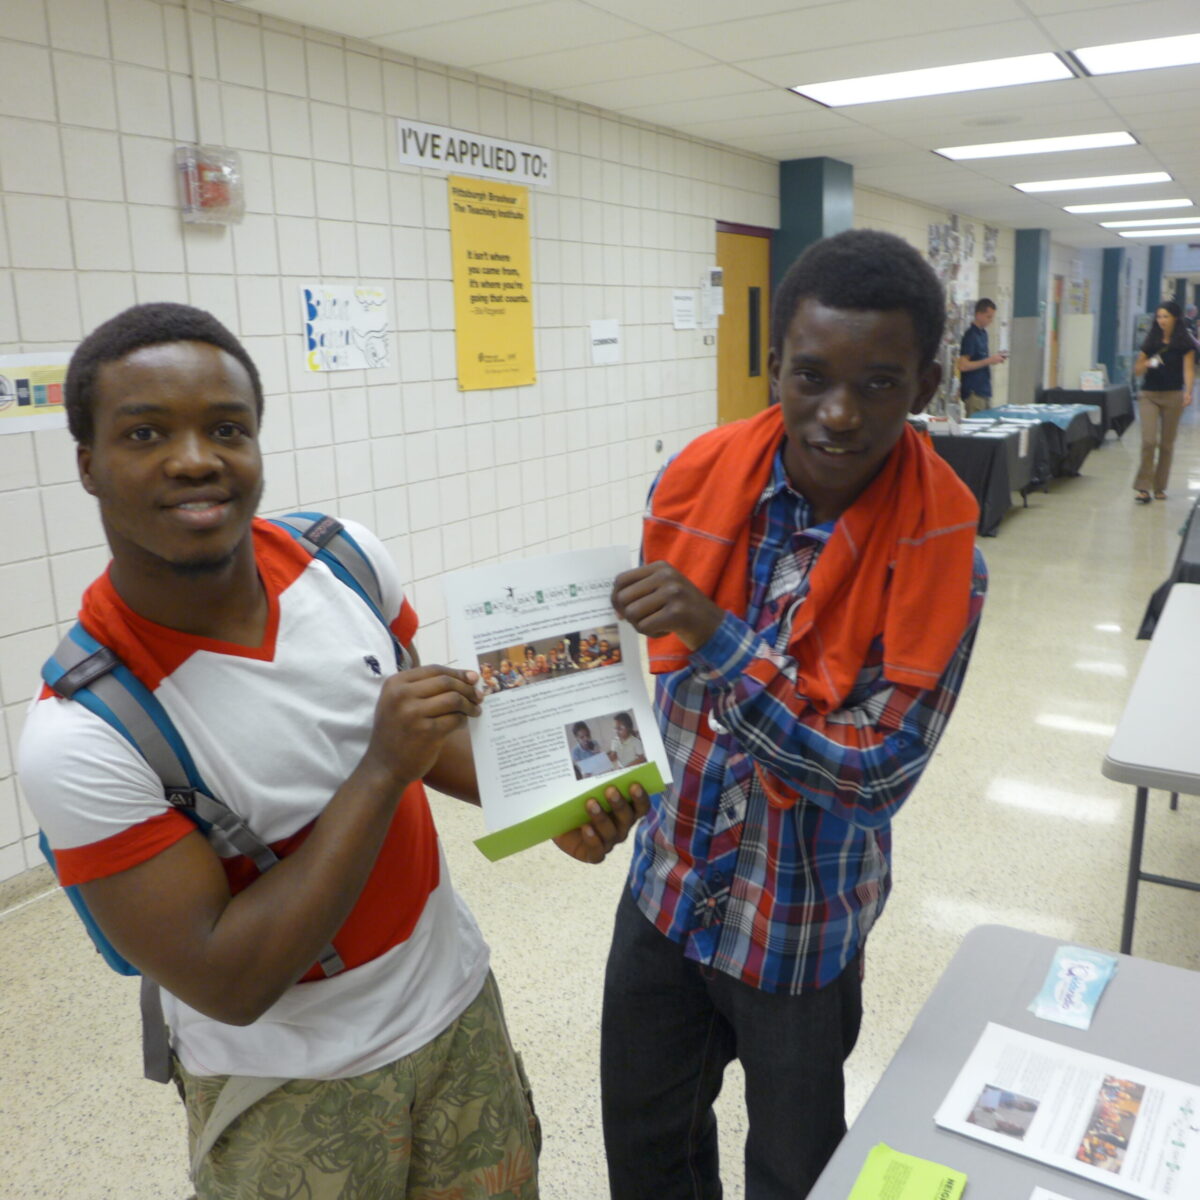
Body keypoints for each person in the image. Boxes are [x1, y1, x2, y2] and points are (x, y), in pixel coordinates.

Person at [18, 303, 646, 1198]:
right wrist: (381, 768)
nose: (195, 456)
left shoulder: (342, 561)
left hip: (456, 1006)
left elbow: (435, 742)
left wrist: (551, 804)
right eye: (146, 432)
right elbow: (230, 978)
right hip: (289, 1087)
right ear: (89, 464)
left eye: (226, 428)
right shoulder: (83, 731)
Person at [603, 229, 987, 1200]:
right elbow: (645, 685)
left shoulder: (944, 559)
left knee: (795, 1173)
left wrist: (720, 637)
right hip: (666, 893)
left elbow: (872, 775)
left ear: (928, 386)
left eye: (880, 384)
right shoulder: (692, 483)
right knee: (649, 1159)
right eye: (810, 376)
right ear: (774, 365)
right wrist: (584, 785)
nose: (839, 414)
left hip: (799, 928)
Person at [1131, 300, 1195, 503]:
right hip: (1149, 395)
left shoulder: (1185, 343)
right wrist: (1146, 363)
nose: (1161, 321)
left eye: (1165, 316)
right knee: (1149, 441)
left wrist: (1189, 391)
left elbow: (1188, 369)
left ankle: (1160, 487)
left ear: (1175, 317)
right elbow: (1137, 370)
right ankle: (1143, 487)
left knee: (1167, 445)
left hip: (1173, 395)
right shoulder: (1151, 342)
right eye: (1159, 317)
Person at [956, 297, 1008, 415]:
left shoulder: (983, 334)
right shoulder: (971, 336)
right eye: (988, 317)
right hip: (974, 391)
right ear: (978, 315)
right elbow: (963, 365)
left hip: (984, 389)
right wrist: (989, 360)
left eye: (992, 317)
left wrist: (994, 359)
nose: (991, 321)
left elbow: (982, 359)